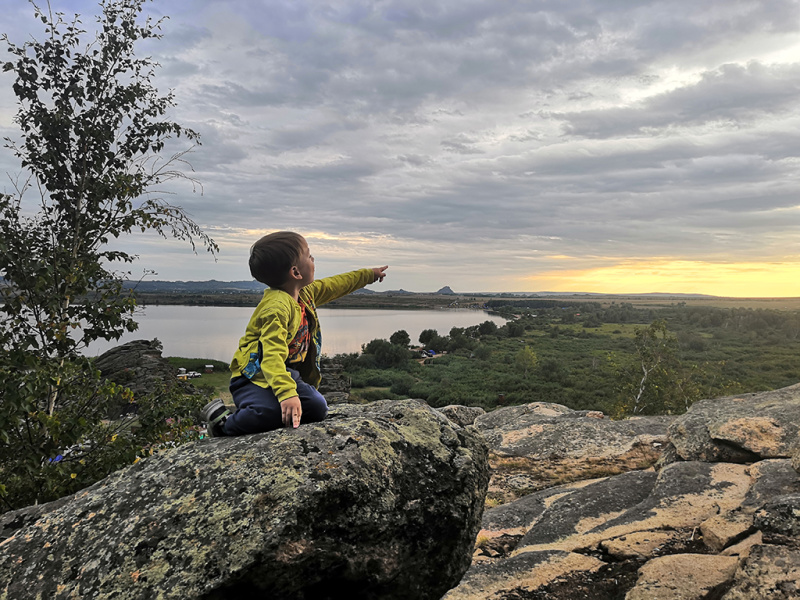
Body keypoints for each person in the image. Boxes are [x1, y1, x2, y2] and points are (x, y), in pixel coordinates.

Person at [201, 231, 388, 436]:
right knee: (269, 412)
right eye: (309, 255)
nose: (313, 259)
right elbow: (271, 357)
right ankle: (223, 423)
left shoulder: (304, 293)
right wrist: (287, 393)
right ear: (296, 272)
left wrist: (368, 275)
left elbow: (336, 285)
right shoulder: (276, 308)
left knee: (317, 408)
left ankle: (263, 406)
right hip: (253, 377)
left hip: (284, 373)